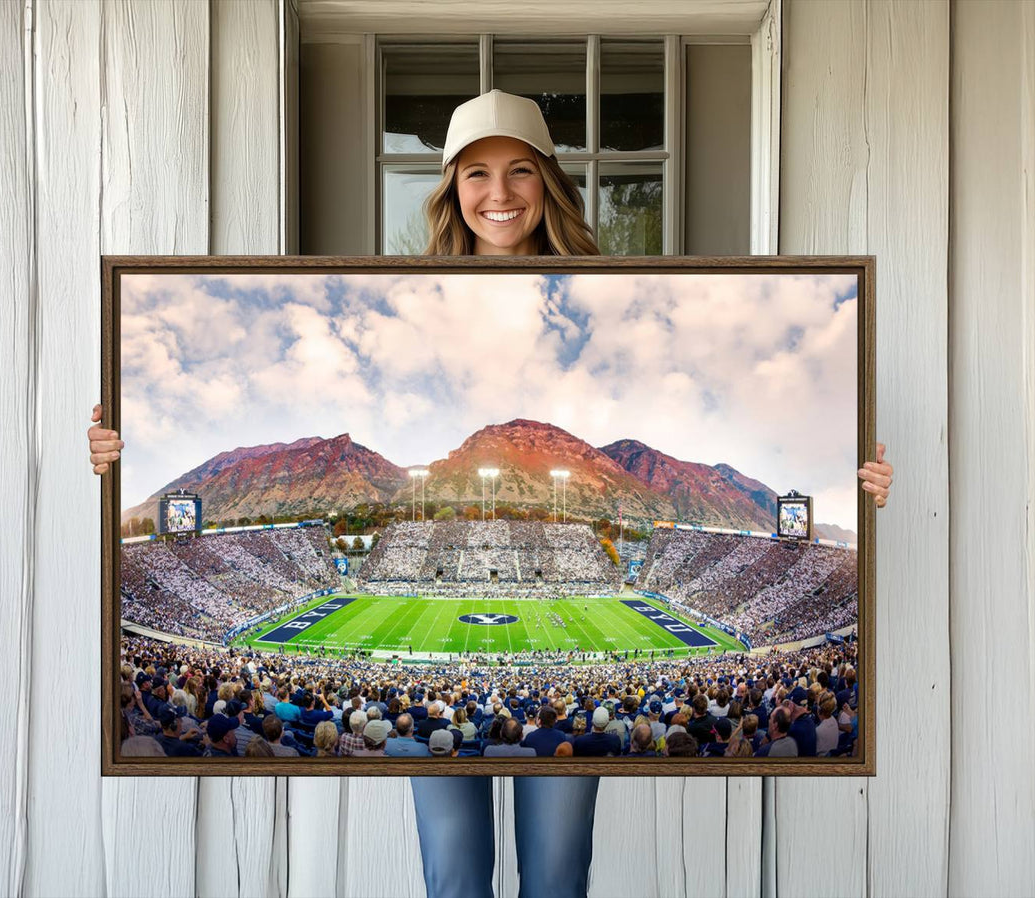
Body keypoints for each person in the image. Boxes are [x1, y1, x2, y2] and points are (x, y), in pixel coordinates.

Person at [88, 89, 895, 898]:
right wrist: (115, 453)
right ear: (451, 188)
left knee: (555, 875)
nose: (499, 193)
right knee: (455, 876)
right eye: (476, 173)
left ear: (548, 180)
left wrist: (861, 488)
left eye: (519, 171)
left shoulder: (612, 287)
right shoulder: (404, 293)